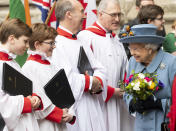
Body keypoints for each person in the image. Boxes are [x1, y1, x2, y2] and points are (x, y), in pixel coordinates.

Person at [78, 0, 135, 131]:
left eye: (119, 15)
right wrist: (110, 91)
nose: (117, 19)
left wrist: (126, 87)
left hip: (119, 103)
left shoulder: (116, 40)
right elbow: (83, 73)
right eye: (113, 15)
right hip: (97, 103)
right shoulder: (86, 37)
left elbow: (124, 69)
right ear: (100, 14)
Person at [53, 0, 107, 131]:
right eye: (82, 11)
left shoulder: (81, 40)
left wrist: (98, 81)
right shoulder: (55, 43)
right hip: (75, 109)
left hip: (92, 105)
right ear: (69, 14)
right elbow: (64, 79)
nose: (85, 16)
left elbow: (99, 68)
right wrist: (90, 81)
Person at [120, 24, 176, 131]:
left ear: (150, 48)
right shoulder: (133, 61)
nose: (132, 53)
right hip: (140, 126)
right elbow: (126, 91)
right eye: (130, 48)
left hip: (164, 125)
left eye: (135, 48)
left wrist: (158, 104)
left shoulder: (171, 63)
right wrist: (132, 103)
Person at [22, 23, 75, 131]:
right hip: (45, 125)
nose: (54, 46)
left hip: (60, 121)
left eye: (54, 42)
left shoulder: (52, 65)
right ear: (37, 44)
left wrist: (70, 113)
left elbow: (65, 92)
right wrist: (59, 113)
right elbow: (39, 99)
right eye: (51, 43)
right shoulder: (29, 67)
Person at [0, 18, 41, 131]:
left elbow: (21, 89)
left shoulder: (13, 63)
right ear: (12, 39)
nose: (28, 46)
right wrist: (26, 103)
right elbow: (2, 102)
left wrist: (34, 98)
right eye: (25, 41)